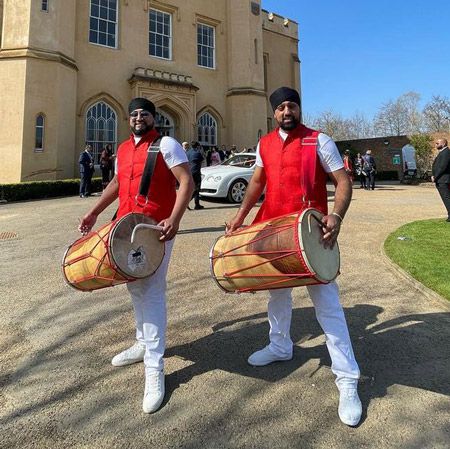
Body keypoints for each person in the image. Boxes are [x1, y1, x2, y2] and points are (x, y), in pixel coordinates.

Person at [226, 87, 362, 427]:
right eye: (281, 107)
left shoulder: (319, 140)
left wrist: (337, 216)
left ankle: (347, 379)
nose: (287, 111)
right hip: (274, 231)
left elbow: (342, 181)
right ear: (273, 113)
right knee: (277, 297)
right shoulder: (264, 144)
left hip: (311, 234)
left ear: (299, 109)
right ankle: (280, 346)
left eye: (292, 106)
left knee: (327, 307)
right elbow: (257, 181)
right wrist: (241, 216)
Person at [78, 97, 194, 413]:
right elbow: (116, 184)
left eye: (144, 113)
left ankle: (154, 369)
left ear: (154, 118)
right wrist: (93, 212)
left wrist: (175, 218)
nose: (138, 118)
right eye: (134, 114)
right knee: (134, 286)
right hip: (125, 228)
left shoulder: (167, 144)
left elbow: (187, 182)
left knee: (152, 292)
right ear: (129, 120)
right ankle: (143, 342)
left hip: (156, 229)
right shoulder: (125, 149)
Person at [431, 138, 450, 222]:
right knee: (446, 198)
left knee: (446, 198)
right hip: (441, 179)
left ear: (444, 143)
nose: (436, 145)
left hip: (444, 180)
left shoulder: (446, 153)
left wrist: (435, 176)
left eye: (437, 143)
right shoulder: (442, 152)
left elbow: (442, 167)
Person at [187, 141, 205, 210]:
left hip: (190, 172)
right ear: (197, 146)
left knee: (193, 188)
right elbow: (203, 159)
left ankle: (197, 205)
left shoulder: (188, 152)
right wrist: (201, 150)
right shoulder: (198, 153)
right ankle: (188, 202)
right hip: (196, 172)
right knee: (197, 189)